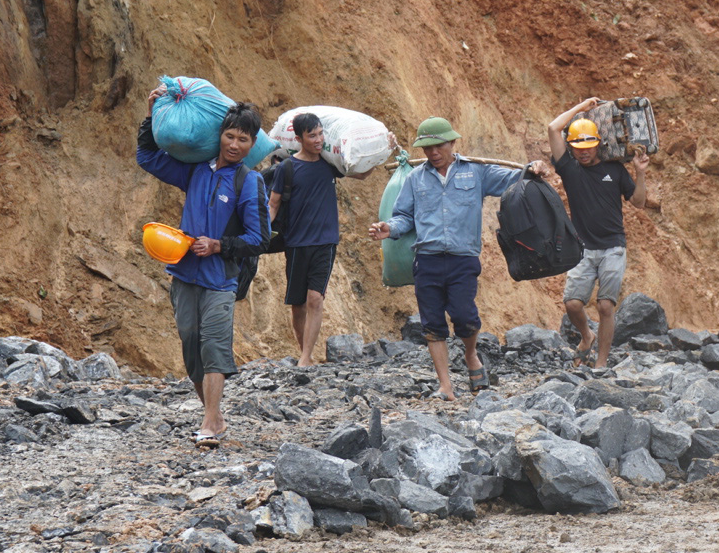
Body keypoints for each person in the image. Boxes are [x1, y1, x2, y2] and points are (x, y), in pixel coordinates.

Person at [368, 117, 552, 401]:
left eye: (438, 146)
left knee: (465, 317)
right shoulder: (416, 179)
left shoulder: (475, 172)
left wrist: (533, 169)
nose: (433, 153)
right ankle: (446, 386)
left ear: (452, 142)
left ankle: (470, 354)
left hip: (463, 258)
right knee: (431, 324)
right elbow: (404, 216)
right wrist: (389, 228)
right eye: (427, 148)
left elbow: (513, 179)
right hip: (427, 259)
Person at [136, 89, 267, 443]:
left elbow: (261, 238)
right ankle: (215, 415)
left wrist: (219, 245)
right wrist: (153, 115)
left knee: (214, 345)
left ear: (252, 144)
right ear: (219, 135)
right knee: (191, 347)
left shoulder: (248, 182)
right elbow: (147, 157)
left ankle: (209, 423)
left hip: (220, 279)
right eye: (229, 136)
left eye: (243, 139)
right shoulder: (196, 172)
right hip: (183, 274)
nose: (234, 145)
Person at [269, 113, 395, 367]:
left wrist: (386, 150)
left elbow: (361, 174)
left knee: (315, 298)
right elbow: (273, 203)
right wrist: (260, 231)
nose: (318, 140)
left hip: (325, 241)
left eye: (320, 134)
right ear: (298, 138)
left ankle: (305, 357)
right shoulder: (287, 168)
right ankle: (305, 351)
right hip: (295, 242)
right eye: (312, 135)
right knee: (297, 303)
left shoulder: (329, 164)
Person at [546, 98, 650, 367]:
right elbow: (552, 128)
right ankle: (586, 336)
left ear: (598, 144)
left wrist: (640, 174)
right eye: (578, 147)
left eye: (589, 146)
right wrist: (580, 108)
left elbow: (638, 202)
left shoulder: (614, 169)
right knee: (572, 304)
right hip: (583, 247)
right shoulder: (569, 169)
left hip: (613, 246)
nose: (583, 153)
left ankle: (601, 363)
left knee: (605, 306)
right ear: (571, 147)